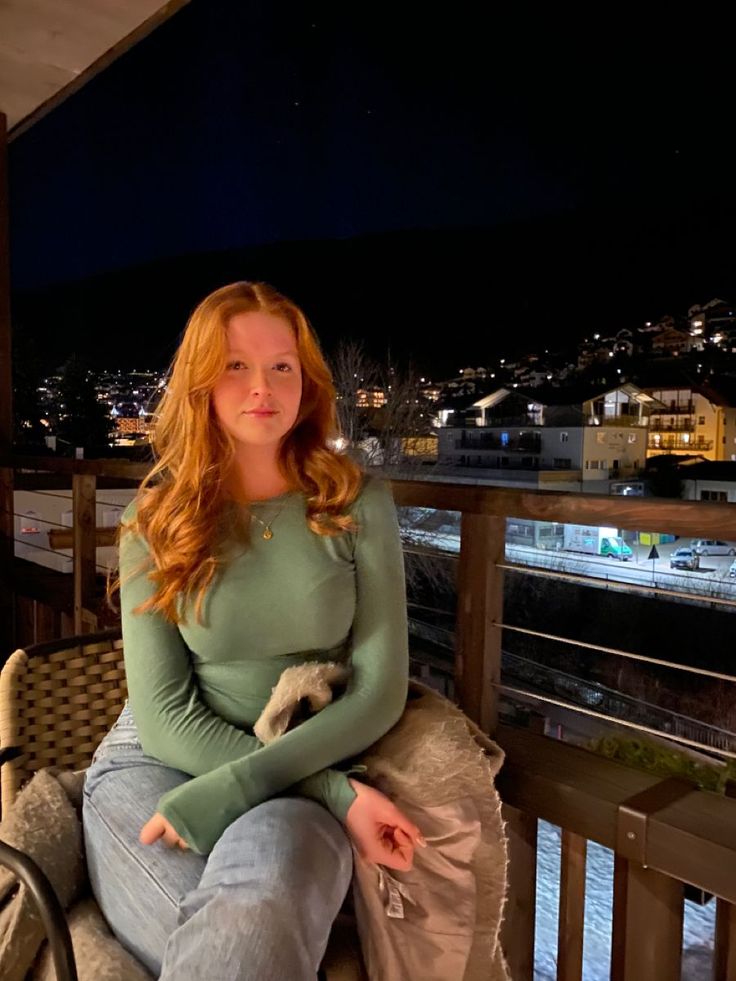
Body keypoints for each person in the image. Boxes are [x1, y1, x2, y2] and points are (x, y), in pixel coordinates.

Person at [82, 281, 424, 980]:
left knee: (253, 922)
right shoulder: (154, 522)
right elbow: (163, 714)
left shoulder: (356, 503)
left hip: (293, 761)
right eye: (235, 365)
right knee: (243, 946)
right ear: (201, 383)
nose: (261, 386)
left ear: (307, 383)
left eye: (281, 366)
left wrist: (247, 784)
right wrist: (335, 793)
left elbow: (380, 689)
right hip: (159, 763)